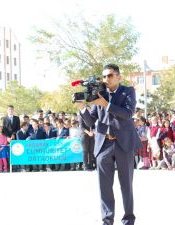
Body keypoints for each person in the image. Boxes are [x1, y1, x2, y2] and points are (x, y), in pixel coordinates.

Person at [76, 64, 142, 225]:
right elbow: (91, 121)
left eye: (110, 75)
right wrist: (82, 108)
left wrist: (105, 104)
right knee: (104, 187)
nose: (106, 79)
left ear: (119, 76)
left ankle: (128, 219)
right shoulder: (99, 94)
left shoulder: (128, 91)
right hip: (103, 144)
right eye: (104, 76)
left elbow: (127, 113)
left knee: (126, 185)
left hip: (123, 144)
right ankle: (107, 220)